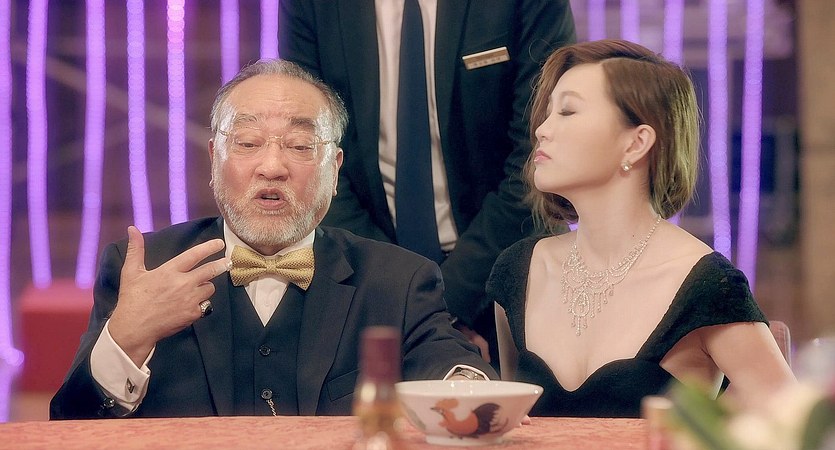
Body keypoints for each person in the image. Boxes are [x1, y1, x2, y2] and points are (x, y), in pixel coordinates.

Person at [50, 59, 496, 419]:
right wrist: (126, 338)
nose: (272, 167)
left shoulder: (398, 280)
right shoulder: (144, 267)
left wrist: (464, 387)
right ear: (215, 158)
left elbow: (452, 364)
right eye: (247, 142)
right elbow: (71, 421)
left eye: (301, 146)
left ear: (335, 169)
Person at [486, 39, 796, 418]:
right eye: (547, 113)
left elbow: (794, 424)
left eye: (567, 111)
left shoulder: (706, 285)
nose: (542, 130)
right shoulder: (517, 270)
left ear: (636, 143)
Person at [278, 0, 577, 366]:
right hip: (365, 284)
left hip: (505, 276)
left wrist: (439, 305)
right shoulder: (312, 7)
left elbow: (536, 157)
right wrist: (393, 292)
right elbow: (311, 157)